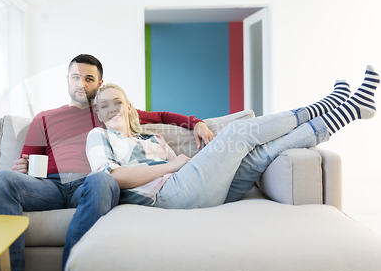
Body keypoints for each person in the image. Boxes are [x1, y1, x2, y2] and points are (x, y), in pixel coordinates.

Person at [0, 54, 214, 271]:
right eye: (76, 77)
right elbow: (27, 162)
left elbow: (162, 116)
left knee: (102, 180)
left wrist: (196, 122)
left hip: (90, 184)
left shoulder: (109, 110)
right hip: (49, 186)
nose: (81, 84)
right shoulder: (44, 118)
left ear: (99, 84)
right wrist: (22, 167)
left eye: (89, 79)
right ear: (67, 80)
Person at [86, 66, 379, 209]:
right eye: (104, 105)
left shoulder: (150, 139)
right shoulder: (98, 136)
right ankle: (327, 104)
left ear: (128, 106)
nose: (111, 108)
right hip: (165, 198)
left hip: (191, 186)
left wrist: (196, 160)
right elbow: (114, 177)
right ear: (98, 113)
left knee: (260, 156)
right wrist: (172, 167)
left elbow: (186, 166)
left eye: (117, 102)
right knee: (238, 132)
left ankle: (350, 109)